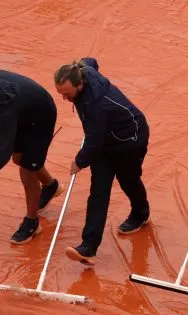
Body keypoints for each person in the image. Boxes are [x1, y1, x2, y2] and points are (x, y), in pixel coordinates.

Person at [52, 58, 151, 266]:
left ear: (80, 85)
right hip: (105, 140)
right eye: (61, 93)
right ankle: (88, 246)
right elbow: (91, 61)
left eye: (67, 94)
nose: (64, 98)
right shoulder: (84, 70)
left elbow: (93, 140)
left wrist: (79, 161)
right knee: (99, 191)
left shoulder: (94, 105)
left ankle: (141, 213)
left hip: (130, 139)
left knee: (129, 180)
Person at [0, 70, 63, 244]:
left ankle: (32, 223)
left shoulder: (6, 110)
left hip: (41, 117)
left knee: (27, 170)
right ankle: (51, 186)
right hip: (22, 113)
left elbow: (3, 153)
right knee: (19, 158)